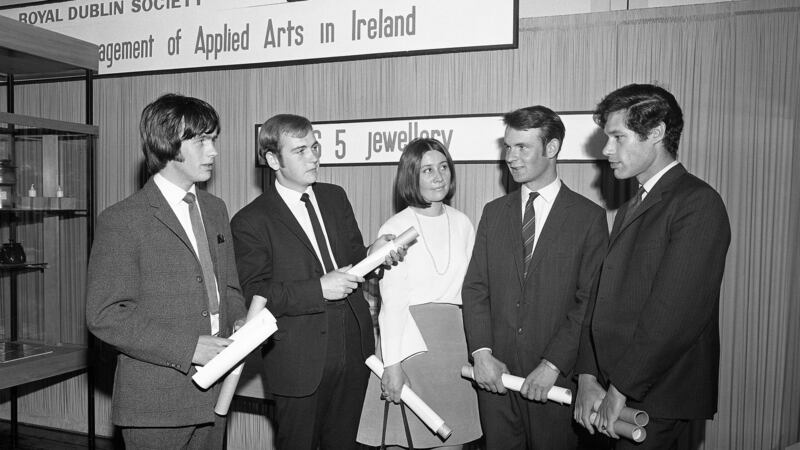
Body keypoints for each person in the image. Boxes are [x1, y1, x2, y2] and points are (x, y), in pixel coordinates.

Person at [230, 113, 403, 450]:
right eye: (300, 151)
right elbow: (256, 294)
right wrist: (318, 288)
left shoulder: (335, 196)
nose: (313, 156)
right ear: (271, 159)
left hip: (355, 354)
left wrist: (375, 253)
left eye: (314, 146)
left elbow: (354, 260)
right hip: (299, 364)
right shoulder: (251, 221)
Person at [574, 83, 731, 449]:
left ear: (656, 132)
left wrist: (621, 388)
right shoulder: (631, 205)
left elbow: (674, 314)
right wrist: (586, 375)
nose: (607, 149)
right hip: (614, 389)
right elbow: (601, 296)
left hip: (652, 397)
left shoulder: (698, 203)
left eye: (617, 137)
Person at [85, 94, 247, 449]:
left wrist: (240, 324)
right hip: (155, 405)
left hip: (216, 397)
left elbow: (229, 288)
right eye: (202, 139)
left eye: (213, 139)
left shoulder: (216, 208)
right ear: (167, 141)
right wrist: (189, 348)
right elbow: (105, 315)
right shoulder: (122, 220)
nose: (213, 151)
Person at [461, 105, 609, 449]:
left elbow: (588, 302)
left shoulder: (588, 218)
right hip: (495, 381)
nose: (510, 157)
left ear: (553, 148)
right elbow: (476, 289)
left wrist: (553, 364)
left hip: (554, 385)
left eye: (522, 147)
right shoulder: (493, 213)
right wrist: (481, 354)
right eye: (507, 147)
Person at [356, 138, 482, 449]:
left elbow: (475, 292)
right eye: (427, 170)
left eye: (443, 167)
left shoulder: (463, 223)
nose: (439, 176)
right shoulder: (395, 226)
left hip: (454, 346)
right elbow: (394, 303)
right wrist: (393, 365)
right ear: (411, 176)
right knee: (406, 440)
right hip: (409, 346)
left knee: (453, 440)